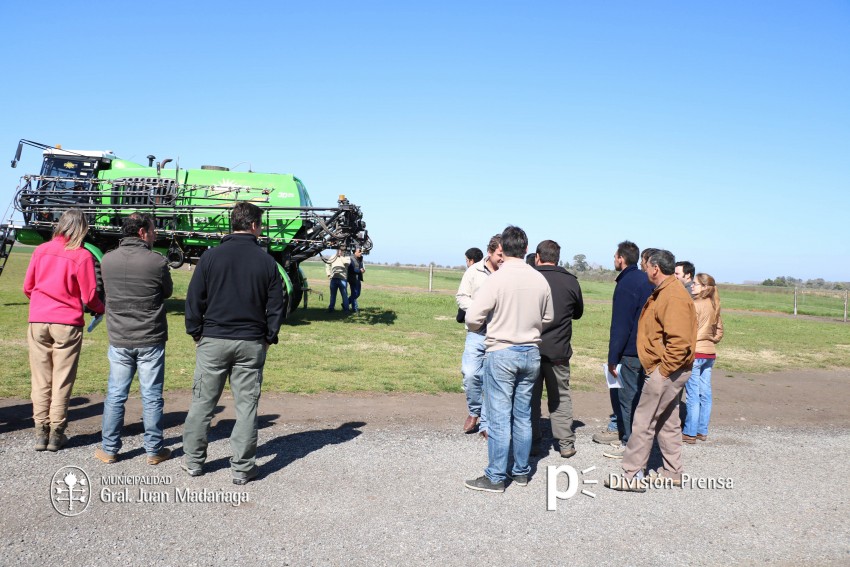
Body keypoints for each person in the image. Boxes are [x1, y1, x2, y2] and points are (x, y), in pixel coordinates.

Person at [183, 202, 285, 485]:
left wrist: (196, 333)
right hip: (250, 342)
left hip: (213, 340)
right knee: (246, 407)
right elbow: (277, 304)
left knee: (202, 403)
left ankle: (193, 462)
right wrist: (269, 337)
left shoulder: (210, 257)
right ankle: (242, 468)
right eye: (260, 225)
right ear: (253, 226)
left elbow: (194, 300)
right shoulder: (267, 261)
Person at [464, 226, 553, 493]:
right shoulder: (539, 279)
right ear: (527, 249)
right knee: (524, 414)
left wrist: (487, 325)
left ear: (504, 248)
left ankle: (495, 476)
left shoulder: (497, 279)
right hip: (531, 352)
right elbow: (548, 317)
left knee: (500, 416)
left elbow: (472, 317)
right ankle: (522, 471)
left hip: (501, 351)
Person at [606, 249, 696, 492]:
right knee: (667, 420)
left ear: (655, 268)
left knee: (643, 420)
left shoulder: (673, 296)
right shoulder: (665, 291)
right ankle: (672, 471)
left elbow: (680, 342)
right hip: (669, 369)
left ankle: (631, 475)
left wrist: (663, 371)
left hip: (667, 370)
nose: (644, 269)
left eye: (646, 265)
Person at [23, 209, 105, 451]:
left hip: (38, 319)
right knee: (62, 379)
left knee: (40, 378)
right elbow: (90, 295)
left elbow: (28, 287)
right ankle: (57, 432)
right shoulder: (82, 256)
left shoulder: (41, 250)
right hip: (67, 322)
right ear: (82, 228)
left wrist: (42, 301)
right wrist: (101, 308)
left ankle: (41, 431)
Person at [95, 213, 173, 465]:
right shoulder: (156, 262)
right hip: (150, 336)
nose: (155, 234)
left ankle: (109, 449)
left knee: (116, 394)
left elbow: (104, 291)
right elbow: (167, 291)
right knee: (151, 395)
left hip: (119, 336)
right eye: (152, 229)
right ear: (141, 232)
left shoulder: (107, 260)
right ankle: (154, 450)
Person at [601, 241, 655, 460]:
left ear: (621, 259)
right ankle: (640, 440)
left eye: (615, 256)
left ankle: (630, 444)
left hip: (630, 352)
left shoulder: (626, 283)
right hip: (648, 350)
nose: (614, 259)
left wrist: (613, 357)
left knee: (627, 398)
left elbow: (621, 324)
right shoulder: (646, 280)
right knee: (641, 398)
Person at [530, 240, 583, 458]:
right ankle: (565, 443)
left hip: (530, 347)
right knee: (560, 396)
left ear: (537, 256)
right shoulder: (570, 281)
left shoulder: (530, 277)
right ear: (558, 258)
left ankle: (531, 440)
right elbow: (578, 313)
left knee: (529, 397)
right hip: (559, 350)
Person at [455, 235, 503, 434]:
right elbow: (461, 297)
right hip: (477, 331)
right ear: (490, 252)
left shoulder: (508, 273)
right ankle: (474, 410)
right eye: (500, 254)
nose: (503, 258)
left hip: (500, 333)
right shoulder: (473, 272)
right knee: (471, 373)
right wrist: (479, 309)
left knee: (494, 378)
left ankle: (486, 422)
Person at [682, 273, 724, 443]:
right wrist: (709, 339)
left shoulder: (694, 304)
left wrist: (696, 341)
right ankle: (702, 430)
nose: (692, 286)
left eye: (696, 284)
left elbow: (687, 330)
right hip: (709, 354)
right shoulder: (715, 305)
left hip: (696, 353)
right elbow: (719, 331)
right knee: (705, 392)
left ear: (705, 288)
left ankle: (690, 432)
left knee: (692, 394)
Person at [326, 249, 351, 313]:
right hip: (333, 279)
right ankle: (331, 308)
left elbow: (347, 263)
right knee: (333, 295)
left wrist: (341, 256)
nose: (339, 251)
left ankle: (346, 309)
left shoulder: (346, 257)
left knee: (344, 295)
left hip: (342, 279)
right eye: (338, 250)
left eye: (341, 250)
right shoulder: (333, 257)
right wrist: (328, 274)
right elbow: (327, 264)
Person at [347, 247, 366, 313]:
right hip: (352, 278)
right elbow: (350, 269)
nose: (361, 253)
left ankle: (345, 303)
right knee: (354, 294)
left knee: (357, 294)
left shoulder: (360, 258)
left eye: (361, 252)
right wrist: (359, 270)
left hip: (358, 278)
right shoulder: (350, 258)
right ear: (355, 252)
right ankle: (355, 309)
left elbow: (361, 267)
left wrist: (362, 269)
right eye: (359, 252)